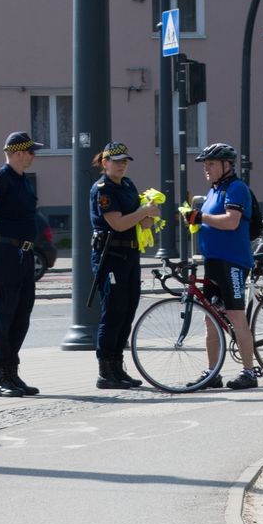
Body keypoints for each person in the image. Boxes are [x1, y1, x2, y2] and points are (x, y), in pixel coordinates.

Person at [0, 131, 43, 397]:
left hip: (24, 255)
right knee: (2, 316)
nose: (33, 156)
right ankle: (0, 377)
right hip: (4, 254)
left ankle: (13, 373)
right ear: (17, 153)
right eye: (30, 151)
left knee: (21, 314)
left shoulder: (23, 181)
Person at [186, 142, 259, 390]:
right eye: (204, 165)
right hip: (213, 262)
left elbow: (231, 222)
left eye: (211, 164)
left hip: (233, 262)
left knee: (236, 316)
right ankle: (212, 372)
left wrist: (200, 217)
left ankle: (249, 372)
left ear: (227, 165)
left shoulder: (236, 189)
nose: (206, 168)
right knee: (211, 320)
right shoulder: (212, 192)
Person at [89, 142, 159, 389]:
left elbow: (146, 223)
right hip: (110, 255)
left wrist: (149, 213)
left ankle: (118, 367)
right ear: (105, 163)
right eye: (117, 161)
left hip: (130, 254)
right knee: (113, 312)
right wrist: (144, 212)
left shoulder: (127, 185)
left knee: (128, 310)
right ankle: (106, 370)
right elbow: (117, 223)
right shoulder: (103, 189)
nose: (121, 165)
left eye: (125, 161)